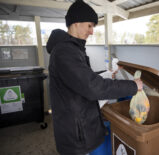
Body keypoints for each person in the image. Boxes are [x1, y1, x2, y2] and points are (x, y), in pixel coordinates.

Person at [46, 0, 142, 155]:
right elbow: (92, 87)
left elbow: (81, 78)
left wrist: (107, 73)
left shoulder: (72, 49)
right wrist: (132, 86)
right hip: (75, 132)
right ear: (76, 23)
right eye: (89, 25)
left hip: (77, 125)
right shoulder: (65, 52)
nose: (92, 31)